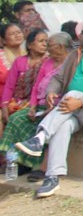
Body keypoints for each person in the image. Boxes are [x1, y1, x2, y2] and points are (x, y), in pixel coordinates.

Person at [16, 19, 83, 198]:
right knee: (64, 126)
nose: (79, 35)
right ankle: (52, 177)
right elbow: (57, 78)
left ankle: (40, 137)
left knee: (73, 93)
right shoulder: (75, 55)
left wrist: (79, 102)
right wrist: (51, 92)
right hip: (71, 109)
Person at [0, 32, 72, 180]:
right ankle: (17, 162)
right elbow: (36, 87)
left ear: (60, 47)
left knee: (43, 125)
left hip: (55, 107)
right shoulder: (48, 62)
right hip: (38, 105)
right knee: (16, 119)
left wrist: (49, 109)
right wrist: (32, 106)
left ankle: (37, 166)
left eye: (49, 44)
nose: (46, 47)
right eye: (43, 42)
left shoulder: (71, 63)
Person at [1, 28, 48, 130]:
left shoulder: (48, 62)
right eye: (41, 41)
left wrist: (32, 105)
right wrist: (4, 107)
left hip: (37, 104)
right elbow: (9, 86)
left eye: (46, 41)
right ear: (30, 45)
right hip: (16, 102)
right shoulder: (20, 61)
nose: (45, 44)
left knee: (16, 119)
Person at [0, 23, 26, 89]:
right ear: (3, 40)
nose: (17, 35)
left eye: (19, 32)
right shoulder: (1, 56)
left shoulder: (30, 53)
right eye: (12, 34)